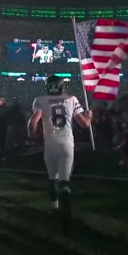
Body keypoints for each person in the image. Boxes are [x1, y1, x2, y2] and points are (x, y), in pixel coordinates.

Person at [27, 75, 92, 235]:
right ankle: (66, 195)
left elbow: (33, 121)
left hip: (50, 144)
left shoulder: (40, 99)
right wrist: (89, 116)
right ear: (62, 86)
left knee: (52, 179)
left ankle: (55, 208)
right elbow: (84, 124)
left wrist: (32, 133)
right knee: (64, 181)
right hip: (67, 144)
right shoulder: (71, 99)